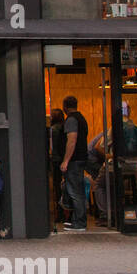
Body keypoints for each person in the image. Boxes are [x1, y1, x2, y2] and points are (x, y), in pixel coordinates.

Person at [60, 95, 90, 232]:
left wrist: (66, 160)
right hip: (81, 158)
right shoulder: (82, 119)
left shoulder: (71, 120)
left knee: (75, 191)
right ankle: (77, 220)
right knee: (75, 189)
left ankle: (80, 222)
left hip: (74, 160)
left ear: (65, 107)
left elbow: (71, 140)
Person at [48, 109, 66, 227]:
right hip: (64, 159)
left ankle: (59, 214)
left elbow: (52, 147)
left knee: (57, 187)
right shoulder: (64, 128)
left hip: (56, 160)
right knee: (65, 187)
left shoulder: (53, 129)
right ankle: (65, 213)